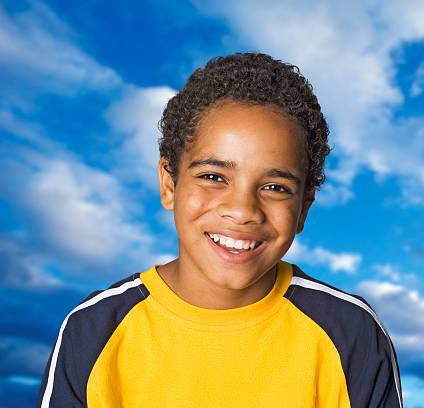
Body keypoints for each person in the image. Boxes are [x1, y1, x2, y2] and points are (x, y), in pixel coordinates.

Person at [37, 53, 403, 407]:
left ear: (304, 206)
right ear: (169, 184)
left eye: (275, 187)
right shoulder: (93, 331)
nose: (243, 211)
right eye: (213, 177)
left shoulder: (351, 333)